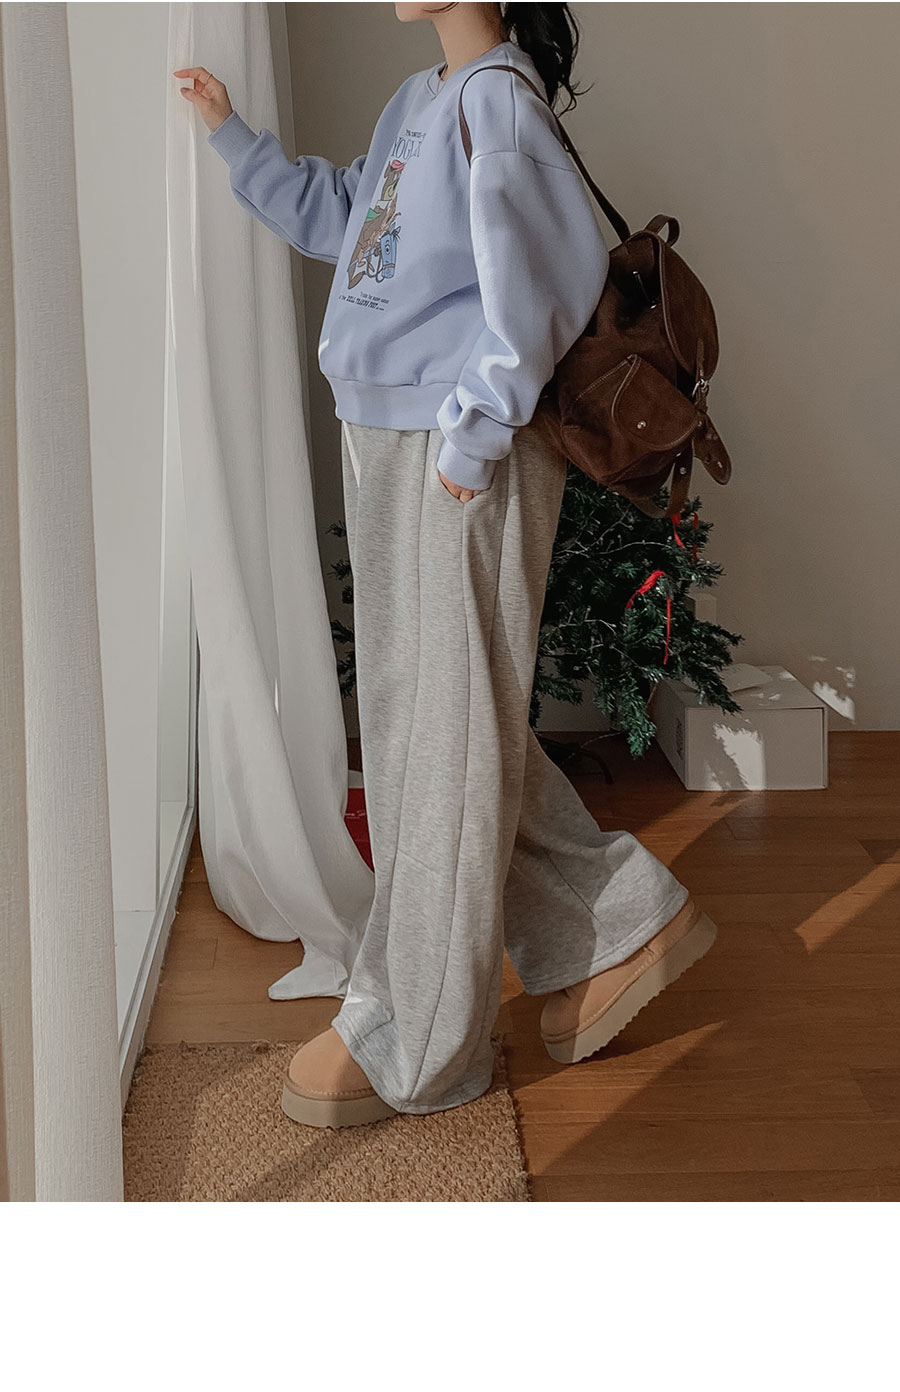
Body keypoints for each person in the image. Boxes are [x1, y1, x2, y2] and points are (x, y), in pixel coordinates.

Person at [174, 1, 717, 1130]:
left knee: (445, 727)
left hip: (458, 449)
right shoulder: (420, 101)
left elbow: (550, 284)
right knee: (433, 720)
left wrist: (473, 440)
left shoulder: (499, 104)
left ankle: (420, 1035)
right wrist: (234, 138)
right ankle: (616, 921)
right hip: (389, 433)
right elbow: (350, 223)